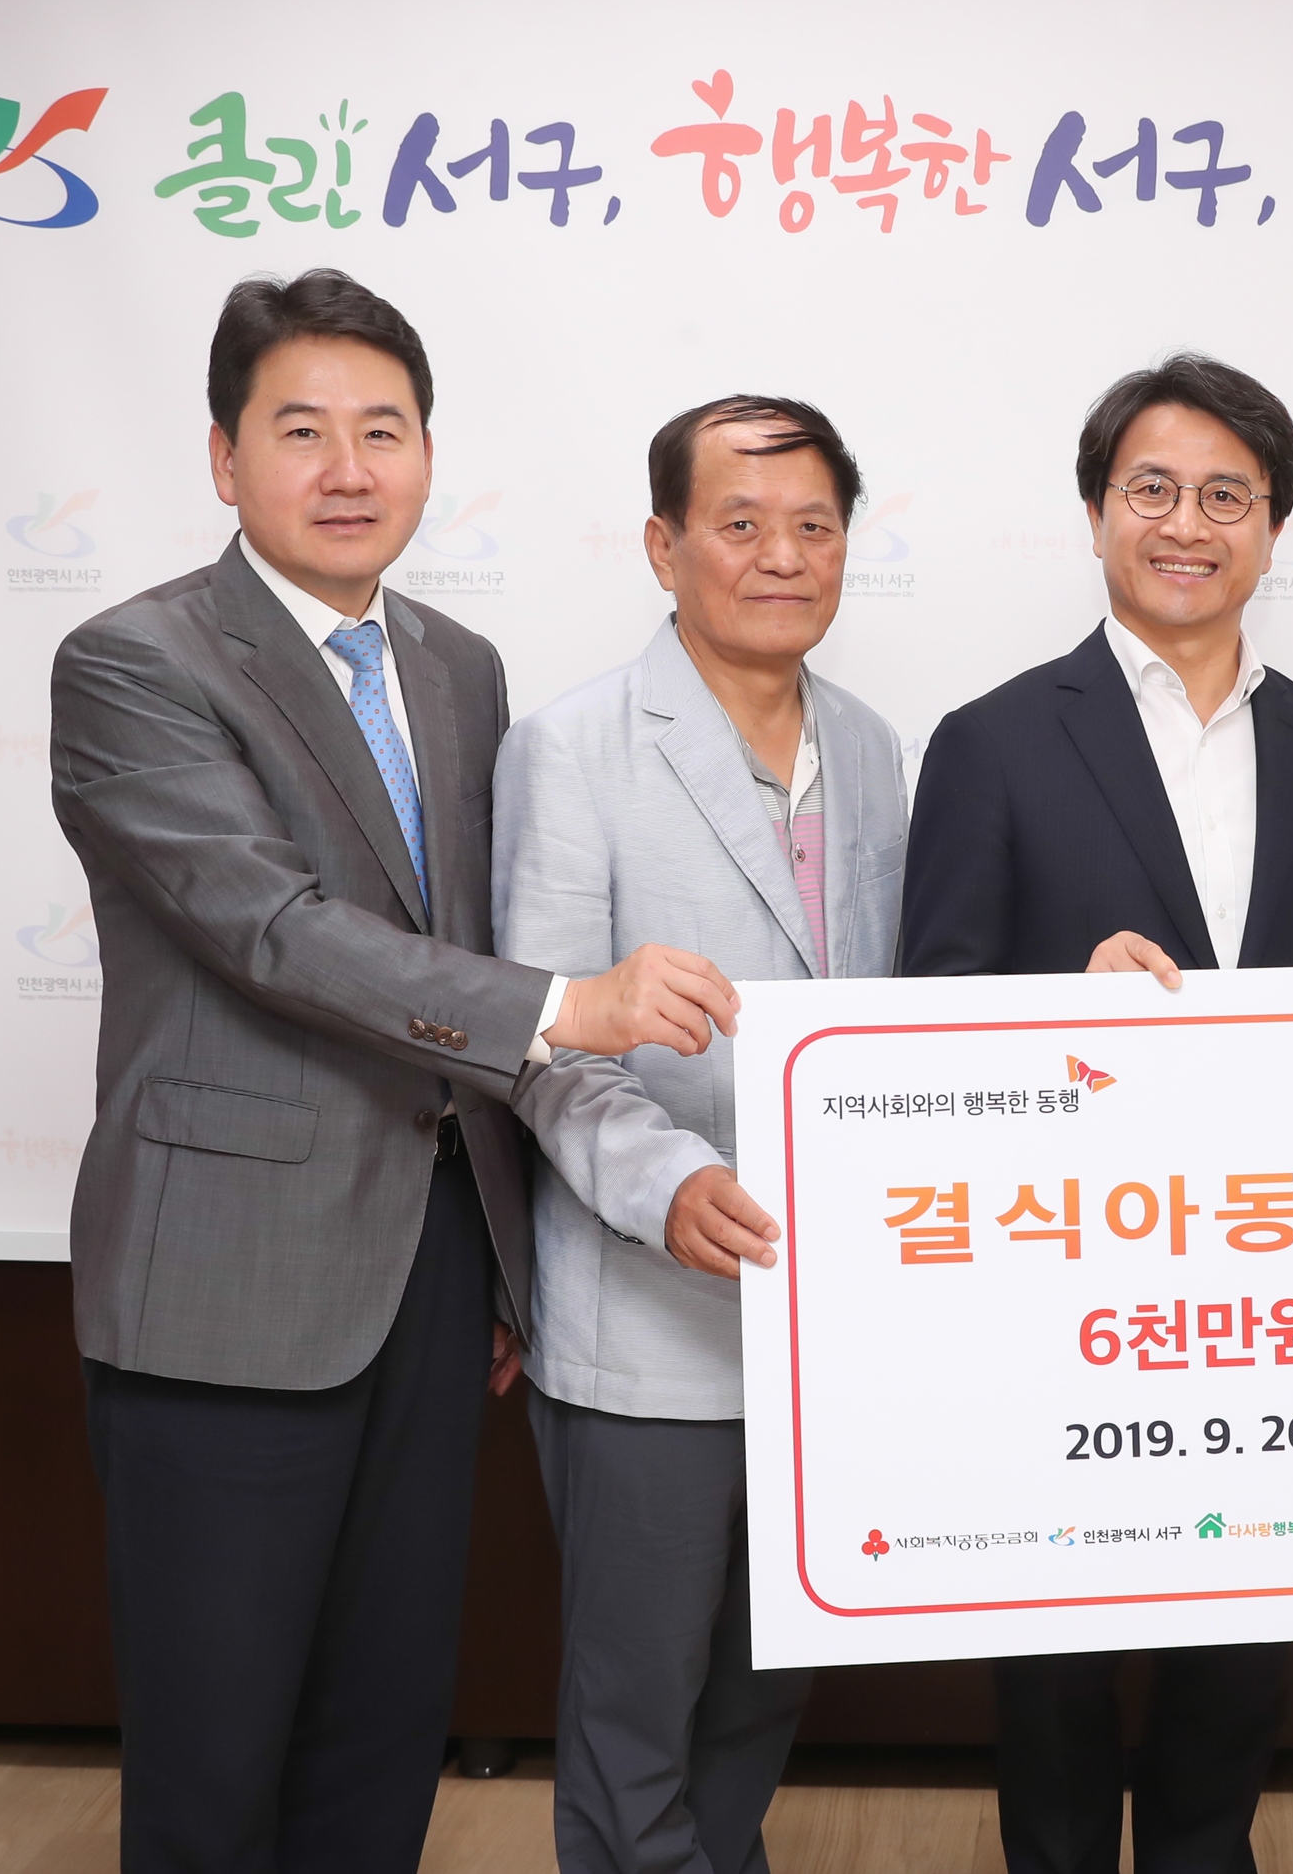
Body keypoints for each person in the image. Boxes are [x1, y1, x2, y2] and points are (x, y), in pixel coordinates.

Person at [50, 270, 736, 1874]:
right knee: (217, 1755)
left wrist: (494, 1259)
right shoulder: (136, 661)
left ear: (428, 454)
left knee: (380, 1731)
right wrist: (568, 1006)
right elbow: (273, 933)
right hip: (225, 1285)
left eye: (384, 430)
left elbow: (445, 933)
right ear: (224, 458)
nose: (348, 468)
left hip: (430, 1279)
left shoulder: (454, 665)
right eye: (301, 431)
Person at [900, 354, 1293, 1874]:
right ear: (1096, 513)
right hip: (1060, 1282)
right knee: (1053, 1664)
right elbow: (926, 1021)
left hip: (1268, 1286)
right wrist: (1063, 1005)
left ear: (1274, 527)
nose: (1188, 525)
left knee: (1238, 1656)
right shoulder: (990, 739)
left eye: (1226, 497)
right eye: (1154, 490)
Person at [493, 395, 910, 1874]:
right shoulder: (568, 747)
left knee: (762, 1693)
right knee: (636, 1715)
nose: (782, 556)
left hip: (822, 1322)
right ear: (663, 547)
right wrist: (669, 1184)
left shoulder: (872, 747)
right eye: (740, 524)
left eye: (813, 525)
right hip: (646, 1319)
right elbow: (540, 1041)